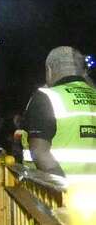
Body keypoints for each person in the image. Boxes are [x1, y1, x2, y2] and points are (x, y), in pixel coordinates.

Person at [21, 46, 96, 176]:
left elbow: (39, 152)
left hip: (58, 187)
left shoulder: (46, 97)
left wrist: (64, 185)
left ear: (49, 71)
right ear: (83, 72)